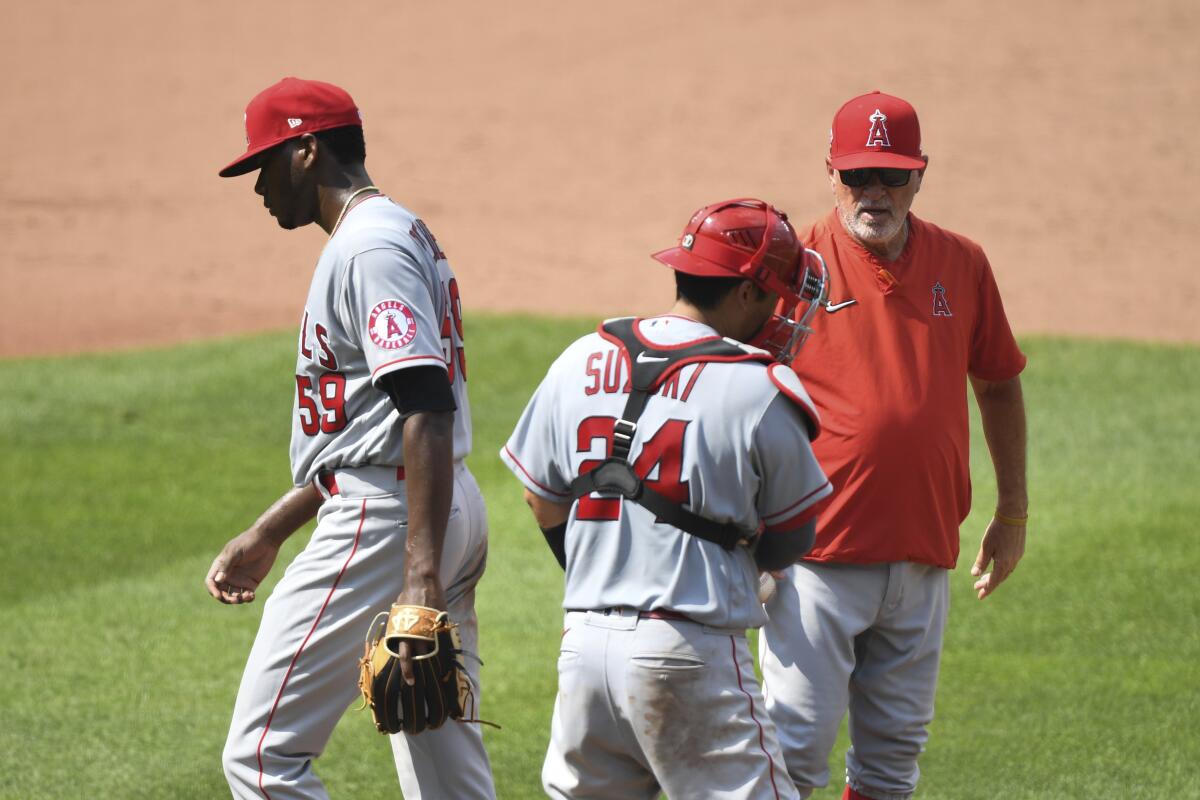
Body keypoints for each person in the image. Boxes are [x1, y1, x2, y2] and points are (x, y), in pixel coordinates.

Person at [203, 77, 495, 800]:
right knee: (440, 754)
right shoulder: (394, 233)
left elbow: (423, 403)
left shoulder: (369, 247)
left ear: (306, 151)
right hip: (427, 499)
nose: (257, 187)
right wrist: (271, 529)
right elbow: (366, 419)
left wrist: (418, 574)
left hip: (390, 518)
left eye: (263, 166)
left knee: (262, 759)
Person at [501, 198, 834, 800]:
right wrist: (753, 565)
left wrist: (607, 569)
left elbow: (541, 498)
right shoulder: (758, 388)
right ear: (744, 293)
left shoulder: (579, 357)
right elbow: (794, 535)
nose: (783, 311)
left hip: (584, 651)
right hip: (689, 656)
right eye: (775, 295)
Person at [759, 90, 1029, 800]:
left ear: (920, 174)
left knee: (891, 763)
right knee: (792, 751)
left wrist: (1013, 514)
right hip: (810, 562)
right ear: (831, 173)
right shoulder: (794, 267)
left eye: (890, 175)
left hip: (922, 556)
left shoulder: (963, 263)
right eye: (857, 176)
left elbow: (998, 383)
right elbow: (729, 400)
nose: (872, 192)